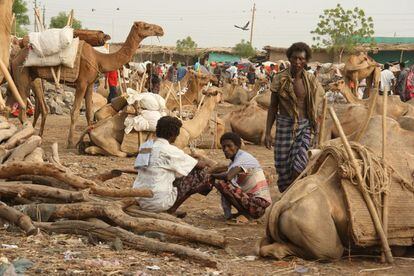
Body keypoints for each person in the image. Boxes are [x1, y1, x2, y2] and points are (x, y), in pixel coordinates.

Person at [265, 42, 324, 193]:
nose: (298, 62)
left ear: (306, 60)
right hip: (285, 126)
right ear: (289, 58)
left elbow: (316, 107)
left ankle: (293, 196)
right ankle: (286, 195)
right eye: (295, 58)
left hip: (304, 127)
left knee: (300, 165)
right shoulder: (279, 79)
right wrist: (267, 132)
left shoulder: (311, 81)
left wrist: (316, 132)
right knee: (283, 168)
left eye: (301, 59)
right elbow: (273, 106)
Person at [132, 116, 211, 216]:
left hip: (139, 197)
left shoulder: (146, 146)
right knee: (199, 173)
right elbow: (200, 165)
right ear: (174, 134)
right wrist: (204, 158)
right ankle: (171, 210)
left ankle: (168, 208)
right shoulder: (171, 151)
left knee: (172, 173)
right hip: (157, 202)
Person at [210, 132, 271, 219]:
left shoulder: (243, 158)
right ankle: (239, 214)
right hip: (253, 204)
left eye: (229, 146)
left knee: (222, 184)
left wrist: (212, 175)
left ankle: (245, 215)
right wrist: (227, 214)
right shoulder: (234, 162)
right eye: (224, 147)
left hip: (258, 204)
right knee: (224, 184)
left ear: (237, 146)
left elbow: (228, 177)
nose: (226, 149)